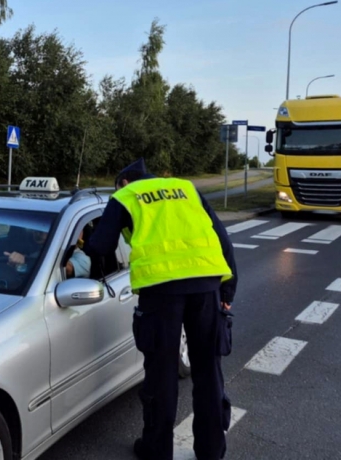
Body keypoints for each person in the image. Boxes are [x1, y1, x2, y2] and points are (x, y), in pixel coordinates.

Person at [85, 159, 238, 460]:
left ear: (125, 182)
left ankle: (156, 450)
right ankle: (211, 450)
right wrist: (227, 292)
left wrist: (83, 244)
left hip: (161, 293)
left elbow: (102, 246)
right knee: (208, 372)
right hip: (206, 287)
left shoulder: (126, 196)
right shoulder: (186, 188)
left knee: (162, 375)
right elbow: (223, 239)